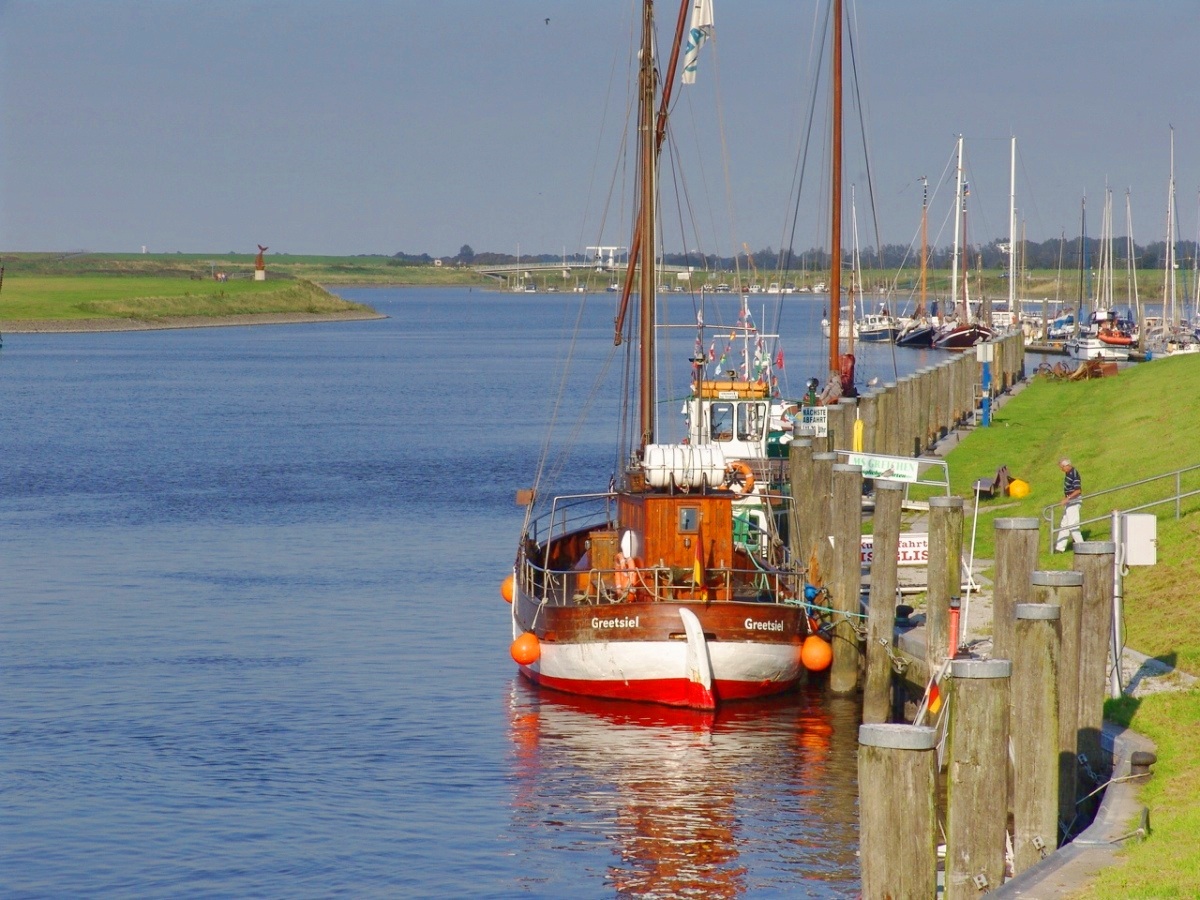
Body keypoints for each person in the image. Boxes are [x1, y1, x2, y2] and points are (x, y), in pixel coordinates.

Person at [1055, 457, 1084, 551]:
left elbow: (1078, 490)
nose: (1061, 469)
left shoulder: (1073, 474)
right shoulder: (1068, 473)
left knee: (1073, 525)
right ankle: (1059, 548)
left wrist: (1067, 498)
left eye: (1062, 467)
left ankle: (1081, 547)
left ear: (1067, 466)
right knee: (1064, 524)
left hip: (1074, 501)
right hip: (1070, 501)